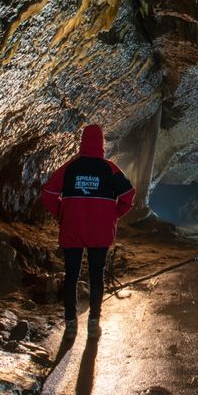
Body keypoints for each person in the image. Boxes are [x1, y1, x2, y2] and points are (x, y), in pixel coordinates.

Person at [41, 124, 135, 338]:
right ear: (101, 144)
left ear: (82, 142)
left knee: (71, 276)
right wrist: (114, 214)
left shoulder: (70, 168)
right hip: (100, 232)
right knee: (96, 275)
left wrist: (62, 214)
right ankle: (94, 322)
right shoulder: (110, 168)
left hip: (72, 229)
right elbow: (129, 194)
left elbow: (48, 192)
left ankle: (70, 324)